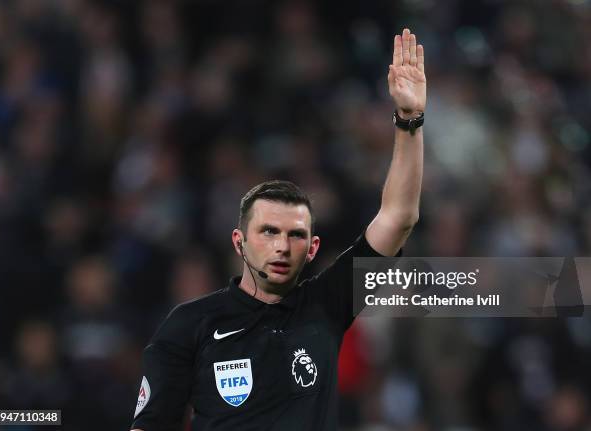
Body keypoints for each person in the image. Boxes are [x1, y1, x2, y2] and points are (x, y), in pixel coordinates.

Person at [130, 28, 426, 431]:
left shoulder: (326, 304)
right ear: (239, 241)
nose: (283, 246)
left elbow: (398, 218)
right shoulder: (190, 325)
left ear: (313, 247)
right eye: (269, 232)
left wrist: (409, 120)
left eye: (296, 235)